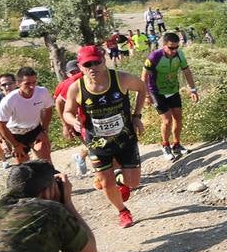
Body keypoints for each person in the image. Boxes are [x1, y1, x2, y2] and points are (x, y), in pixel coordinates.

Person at [65, 45, 146, 228]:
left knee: (133, 182)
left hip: (125, 138)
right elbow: (67, 111)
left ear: (103, 61)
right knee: (105, 182)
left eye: (96, 62)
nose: (93, 67)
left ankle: (119, 180)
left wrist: (136, 116)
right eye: (87, 64)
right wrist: (72, 121)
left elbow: (142, 88)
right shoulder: (76, 88)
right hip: (97, 142)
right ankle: (122, 211)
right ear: (80, 67)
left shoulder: (121, 78)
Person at [143, 31, 199, 161]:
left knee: (178, 117)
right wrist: (146, 95)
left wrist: (193, 90)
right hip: (157, 92)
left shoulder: (179, 55)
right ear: (164, 45)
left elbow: (187, 71)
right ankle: (165, 146)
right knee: (167, 120)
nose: (174, 50)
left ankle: (177, 145)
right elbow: (144, 76)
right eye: (171, 48)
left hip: (173, 90)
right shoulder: (154, 57)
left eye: (176, 47)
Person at [0, 66, 54, 164]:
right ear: (18, 83)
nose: (32, 87)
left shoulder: (42, 92)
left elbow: (48, 109)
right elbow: (0, 124)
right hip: (15, 134)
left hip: (35, 130)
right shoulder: (9, 100)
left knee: (46, 163)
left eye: (34, 82)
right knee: (23, 168)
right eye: (27, 83)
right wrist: (15, 145)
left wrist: (44, 130)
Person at [54, 60, 88, 177]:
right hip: (78, 120)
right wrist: (66, 124)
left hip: (94, 117)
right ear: (67, 74)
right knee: (93, 145)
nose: (75, 74)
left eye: (76, 71)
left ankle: (80, 157)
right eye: (72, 72)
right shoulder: (66, 84)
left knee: (95, 145)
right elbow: (58, 102)